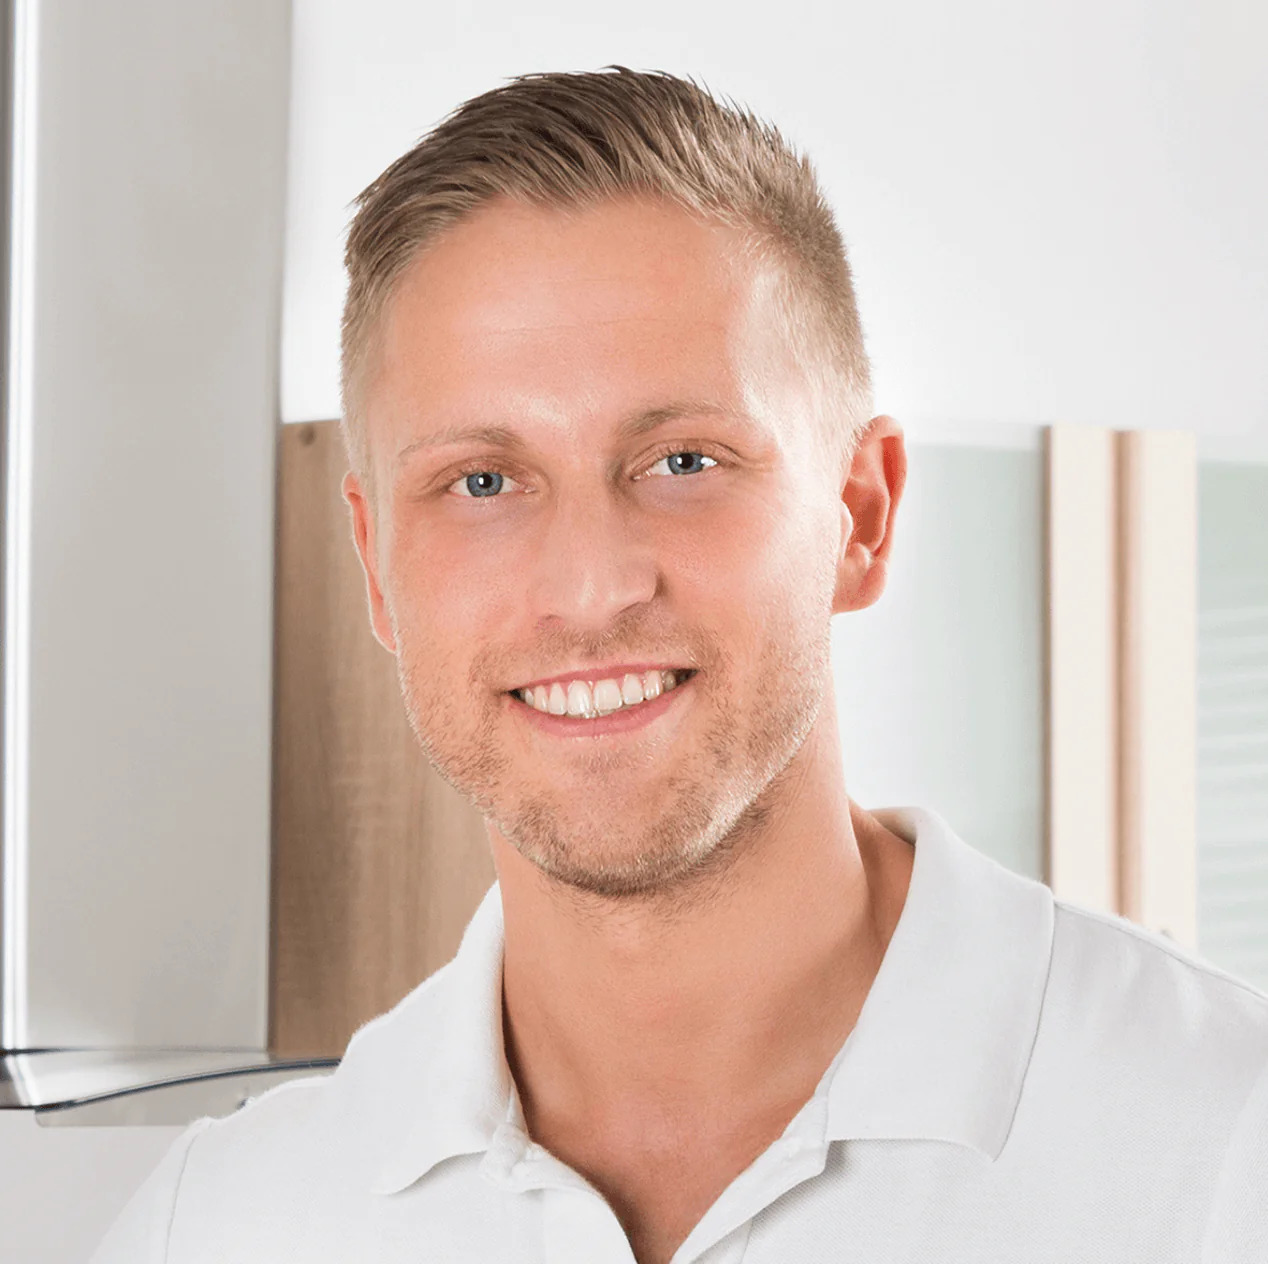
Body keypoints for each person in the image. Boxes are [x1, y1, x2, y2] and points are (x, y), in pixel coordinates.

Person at [94, 67, 1266, 1264]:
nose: (590, 585)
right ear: (377, 563)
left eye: (684, 461)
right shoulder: (223, 1226)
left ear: (859, 514)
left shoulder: (1226, 1151)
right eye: (482, 482)